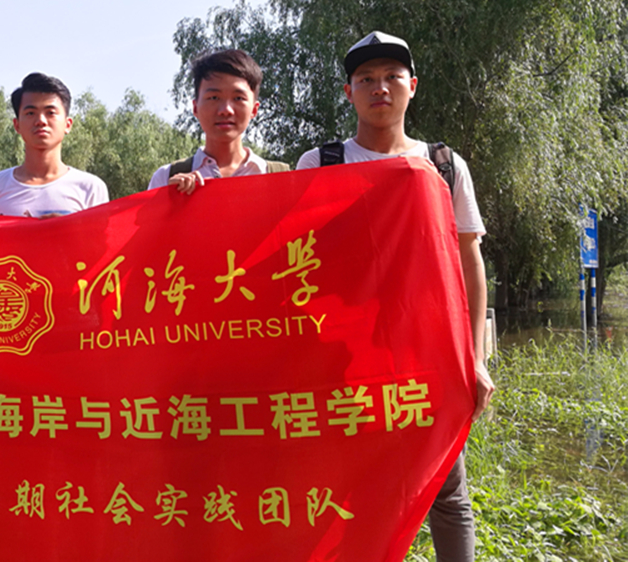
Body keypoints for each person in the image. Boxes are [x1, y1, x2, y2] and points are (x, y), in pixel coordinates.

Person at [295, 31, 495, 562]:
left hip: (429, 356)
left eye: (390, 77)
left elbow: (469, 261)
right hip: (344, 360)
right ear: (348, 92)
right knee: (346, 490)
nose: (379, 87)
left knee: (446, 492)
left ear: (412, 86)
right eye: (365, 79)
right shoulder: (320, 163)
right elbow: (291, 260)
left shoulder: (444, 163)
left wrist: (474, 359)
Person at [147, 48, 288, 195]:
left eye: (238, 98)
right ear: (195, 108)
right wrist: (167, 201)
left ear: (254, 109)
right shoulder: (165, 178)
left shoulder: (281, 179)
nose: (226, 110)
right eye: (214, 98)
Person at [0, 72, 109, 217]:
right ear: (17, 125)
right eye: (30, 113)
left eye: (50, 113)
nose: (41, 121)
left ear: (67, 124)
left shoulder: (90, 188)